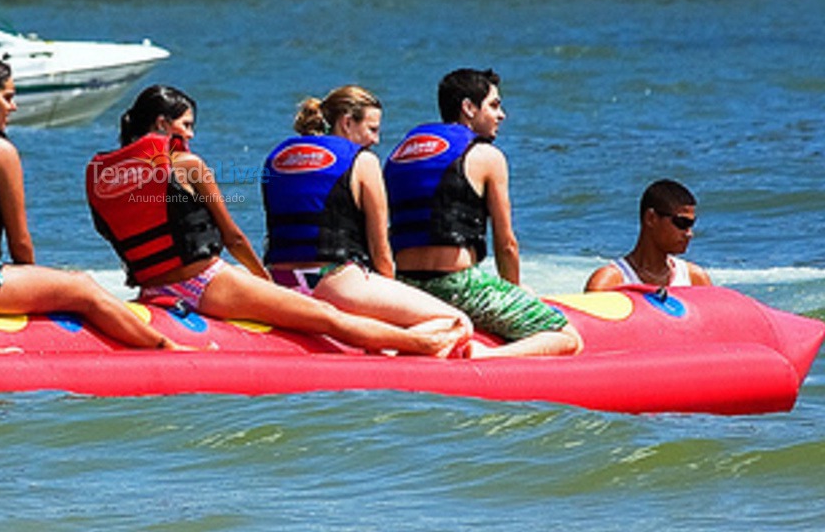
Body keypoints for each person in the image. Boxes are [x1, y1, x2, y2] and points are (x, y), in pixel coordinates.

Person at [86, 84, 469, 357]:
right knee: (325, 317)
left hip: (153, 289)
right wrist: (264, 282)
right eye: (186, 125)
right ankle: (421, 343)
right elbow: (233, 237)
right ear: (161, 124)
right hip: (203, 283)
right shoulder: (188, 165)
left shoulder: (104, 176)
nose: (191, 134)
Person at [0, 56, 180, 350]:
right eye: (7, 97)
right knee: (81, 285)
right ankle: (164, 346)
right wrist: (31, 284)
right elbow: (20, 242)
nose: (13, 107)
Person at [383, 68, 582, 357]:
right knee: (568, 338)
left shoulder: (399, 154)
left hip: (407, 286)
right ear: (468, 108)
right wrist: (514, 293)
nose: (502, 115)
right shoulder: (487, 156)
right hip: (458, 286)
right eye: (494, 105)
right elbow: (507, 244)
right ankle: (485, 355)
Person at [261, 85, 472, 339]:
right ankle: (397, 349)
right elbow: (381, 250)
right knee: (457, 322)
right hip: (333, 283)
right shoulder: (363, 161)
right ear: (347, 122)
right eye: (372, 129)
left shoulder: (276, 158)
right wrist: (392, 301)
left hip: (280, 283)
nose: (376, 140)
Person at [584, 179, 713, 291]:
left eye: (691, 224)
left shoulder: (695, 279)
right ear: (651, 218)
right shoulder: (609, 282)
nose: (689, 233)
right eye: (682, 223)